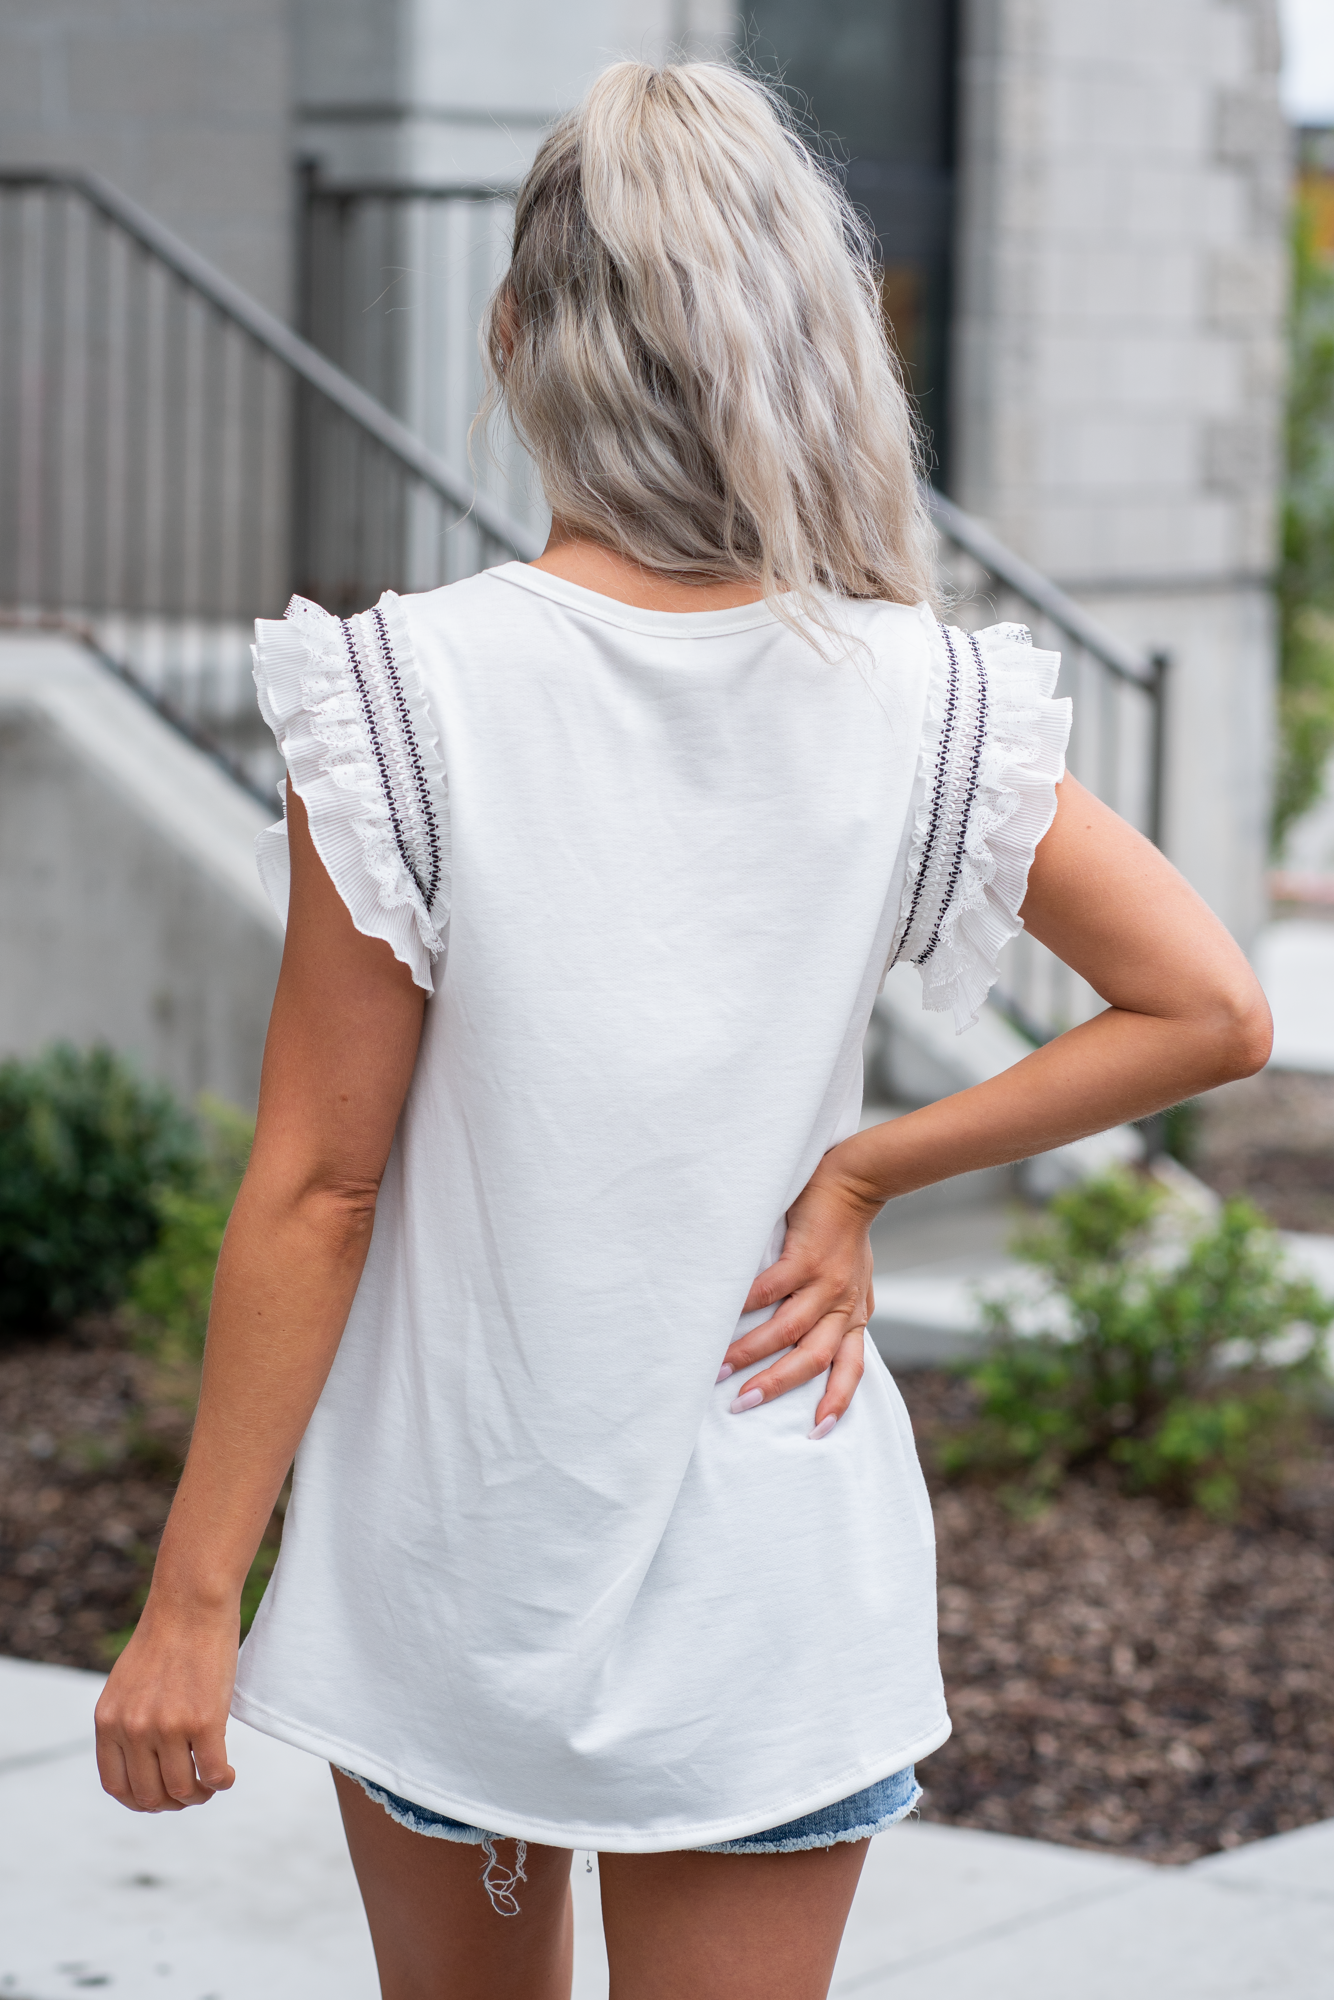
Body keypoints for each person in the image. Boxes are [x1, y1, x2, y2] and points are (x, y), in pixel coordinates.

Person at [94, 58, 1271, 2000]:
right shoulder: (917, 697)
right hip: (766, 1589)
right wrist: (870, 1165)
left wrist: (191, 1603)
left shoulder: (400, 702)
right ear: (810, 349)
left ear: (517, 341)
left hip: (455, 1573)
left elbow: (316, 1180)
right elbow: (1210, 1006)